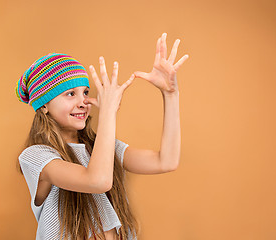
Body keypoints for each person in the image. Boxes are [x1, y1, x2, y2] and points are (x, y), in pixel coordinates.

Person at [15, 33, 189, 240]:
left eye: (85, 92)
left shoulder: (100, 148)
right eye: (70, 94)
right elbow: (97, 181)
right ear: (44, 104)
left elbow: (165, 161)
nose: (83, 102)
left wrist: (170, 95)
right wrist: (108, 113)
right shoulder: (36, 156)